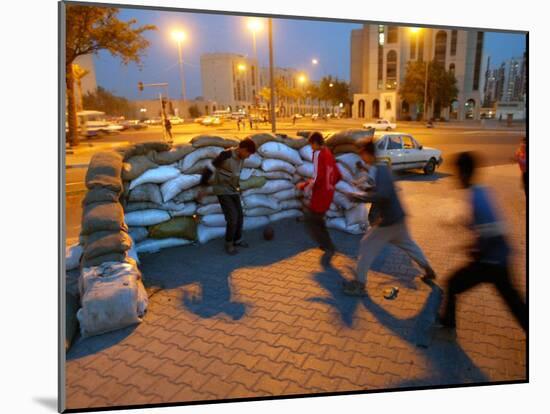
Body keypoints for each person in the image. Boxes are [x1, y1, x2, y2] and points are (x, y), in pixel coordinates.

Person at [438, 152, 526, 332]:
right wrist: (461, 223)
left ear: (463, 173)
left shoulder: (477, 197)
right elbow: (484, 224)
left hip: (492, 261)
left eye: (457, 172)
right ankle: (448, 322)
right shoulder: (480, 191)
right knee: (513, 301)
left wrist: (475, 249)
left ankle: (447, 323)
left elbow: (493, 230)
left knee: (453, 283)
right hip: (496, 258)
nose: (455, 178)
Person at [342, 140, 436, 296]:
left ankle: (359, 284)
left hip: (389, 221)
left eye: (361, 153)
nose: (361, 157)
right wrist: (366, 189)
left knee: (367, 245)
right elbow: (382, 190)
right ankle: (428, 268)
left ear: (367, 152)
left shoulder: (380, 169)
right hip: (398, 218)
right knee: (410, 246)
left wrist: (358, 197)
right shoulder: (381, 168)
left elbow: (383, 195)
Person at [198, 139, 257, 255]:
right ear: (243, 149)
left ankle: (238, 239)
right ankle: (229, 243)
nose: (249, 157)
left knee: (240, 215)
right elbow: (209, 169)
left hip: (233, 190)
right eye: (248, 154)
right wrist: (203, 187)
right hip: (222, 190)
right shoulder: (226, 155)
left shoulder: (241, 158)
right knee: (232, 218)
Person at [296, 132, 342, 266]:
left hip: (320, 196)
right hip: (328, 193)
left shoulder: (318, 154)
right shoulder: (328, 152)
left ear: (315, 143)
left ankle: (328, 246)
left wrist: (303, 185)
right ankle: (326, 244)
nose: (311, 148)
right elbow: (338, 174)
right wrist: (331, 185)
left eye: (311, 145)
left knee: (311, 220)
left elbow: (317, 178)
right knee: (318, 220)